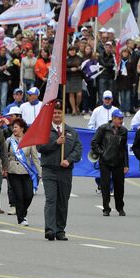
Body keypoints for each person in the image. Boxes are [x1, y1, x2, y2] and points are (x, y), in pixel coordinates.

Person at [38, 101, 83, 241]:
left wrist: (68, 160)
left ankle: (60, 230)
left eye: (59, 113)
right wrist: (55, 143)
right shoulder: (44, 130)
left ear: (63, 114)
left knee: (63, 201)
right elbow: (40, 147)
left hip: (65, 171)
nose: (57, 115)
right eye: (55, 113)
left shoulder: (71, 131)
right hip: (49, 170)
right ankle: (50, 230)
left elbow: (78, 150)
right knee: (51, 199)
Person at [90, 109, 129, 217]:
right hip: (105, 162)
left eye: (122, 119)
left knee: (119, 186)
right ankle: (106, 208)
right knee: (105, 186)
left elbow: (124, 148)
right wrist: (102, 153)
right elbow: (94, 142)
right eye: (119, 119)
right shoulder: (103, 128)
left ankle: (120, 207)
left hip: (118, 161)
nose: (121, 121)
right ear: (113, 118)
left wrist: (126, 164)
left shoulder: (124, 131)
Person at [5, 118, 40, 226]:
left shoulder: (30, 140)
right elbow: (4, 156)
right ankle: (21, 218)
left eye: (16, 127)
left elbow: (35, 158)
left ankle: (22, 212)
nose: (13, 129)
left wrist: (40, 172)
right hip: (13, 171)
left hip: (26, 171)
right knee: (19, 195)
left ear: (22, 128)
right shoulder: (9, 141)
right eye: (13, 127)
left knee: (29, 195)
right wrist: (3, 168)